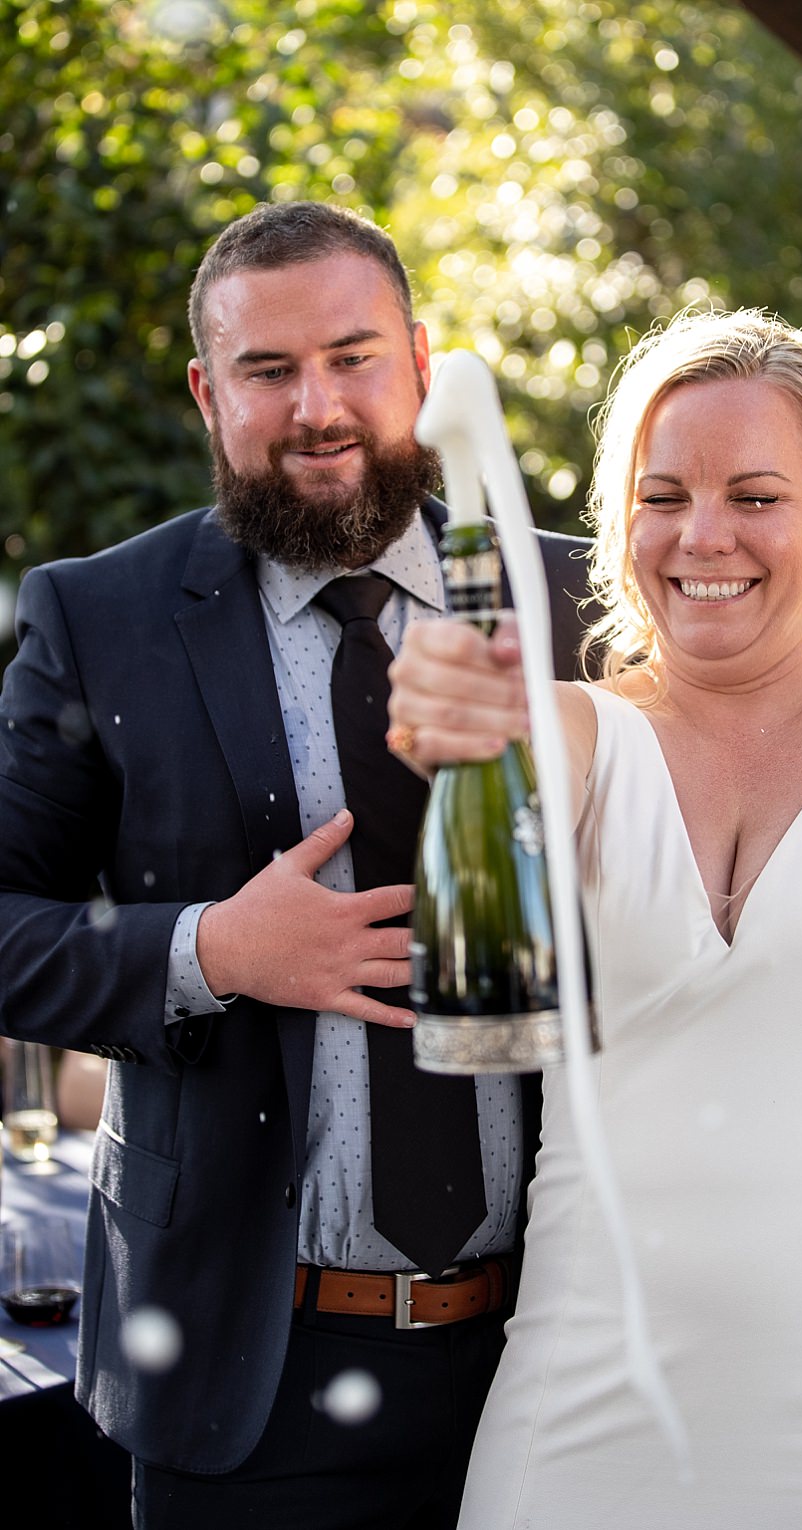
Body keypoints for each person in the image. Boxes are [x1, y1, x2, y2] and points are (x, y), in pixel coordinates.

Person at [0, 201, 593, 1527]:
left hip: (567, 1349)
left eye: (353, 356)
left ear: (422, 366)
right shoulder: (98, 619)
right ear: (212, 396)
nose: (316, 404)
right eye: (269, 371)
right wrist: (214, 952)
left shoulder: (587, 605)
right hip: (250, 1369)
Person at [387, 307, 802, 1527]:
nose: (700, 536)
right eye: (662, 494)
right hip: (584, 1371)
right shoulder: (577, 729)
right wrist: (453, 713)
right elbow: (509, 750)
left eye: (755, 497)